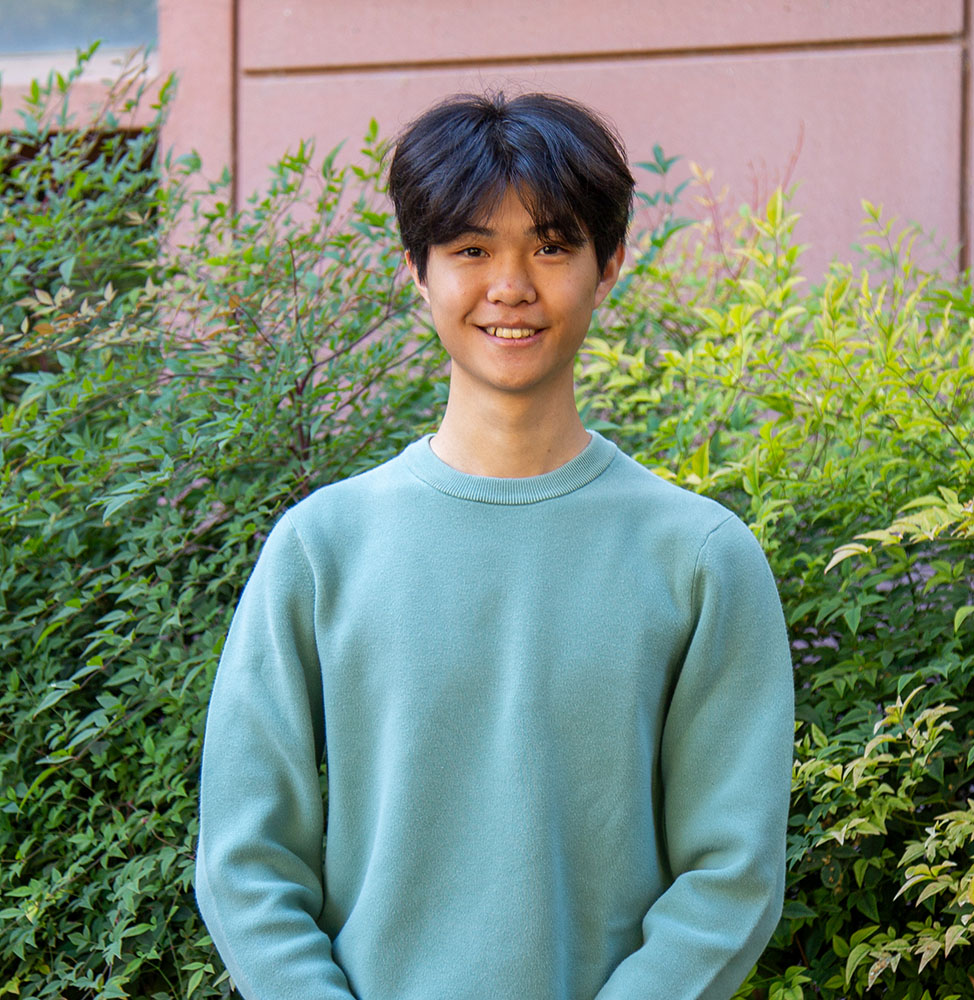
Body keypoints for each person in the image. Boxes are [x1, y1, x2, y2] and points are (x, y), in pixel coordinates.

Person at [195, 91, 795, 1000]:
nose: (511, 286)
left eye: (551, 247)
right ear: (417, 270)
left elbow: (731, 874)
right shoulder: (322, 550)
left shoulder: (700, 557)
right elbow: (245, 858)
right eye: (471, 249)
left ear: (610, 264)